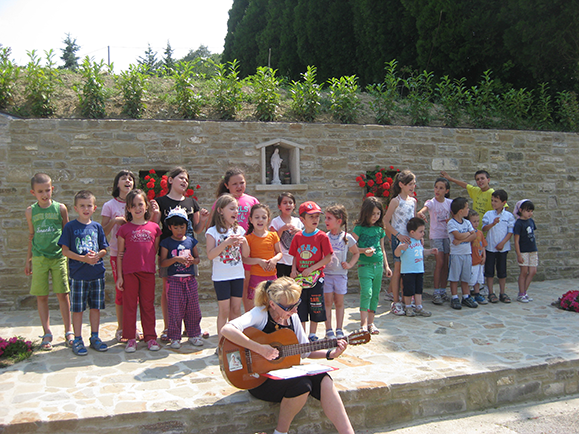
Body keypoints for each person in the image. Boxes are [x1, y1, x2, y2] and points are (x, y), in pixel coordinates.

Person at [221, 277, 355, 434]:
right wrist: (260, 349)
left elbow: (305, 351)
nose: (295, 310)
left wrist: (330, 353)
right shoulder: (260, 314)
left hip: (283, 374)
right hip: (258, 378)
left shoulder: (293, 317)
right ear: (272, 304)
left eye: (297, 305)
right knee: (302, 385)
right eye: (290, 307)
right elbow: (227, 330)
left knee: (324, 378)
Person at [154, 167, 209, 341]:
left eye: (186, 179)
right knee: (168, 290)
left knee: (188, 292)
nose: (184, 181)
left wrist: (205, 219)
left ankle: (190, 328)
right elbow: (155, 227)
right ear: (170, 180)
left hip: (188, 251)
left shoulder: (192, 203)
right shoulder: (160, 202)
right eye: (181, 178)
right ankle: (169, 327)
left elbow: (197, 230)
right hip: (168, 251)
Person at [25, 173, 73, 351]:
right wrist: (28, 259)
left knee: (63, 294)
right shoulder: (30, 211)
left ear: (52, 189)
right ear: (33, 192)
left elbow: (67, 232)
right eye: (40, 191)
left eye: (47, 190)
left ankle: (69, 331)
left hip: (58, 257)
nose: (45, 194)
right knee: (42, 296)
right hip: (39, 259)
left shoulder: (60, 208)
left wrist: (70, 255)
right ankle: (47, 332)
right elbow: (31, 235)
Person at [58, 190, 109, 355]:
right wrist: (83, 258)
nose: (85, 209)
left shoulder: (97, 227)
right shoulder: (70, 227)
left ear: (94, 208)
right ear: (75, 208)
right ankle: (78, 338)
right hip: (78, 275)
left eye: (89, 206)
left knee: (95, 307)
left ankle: (95, 337)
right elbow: (65, 251)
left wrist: (97, 255)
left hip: (96, 274)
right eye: (82, 206)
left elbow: (104, 249)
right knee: (78, 309)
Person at [116, 189, 162, 352]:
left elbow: (154, 250)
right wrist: (120, 276)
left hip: (147, 272)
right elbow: (120, 254)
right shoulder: (124, 230)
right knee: (129, 305)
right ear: (128, 209)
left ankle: (150, 337)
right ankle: (130, 337)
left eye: (140, 204)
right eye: (133, 205)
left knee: (148, 305)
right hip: (130, 273)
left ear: (146, 206)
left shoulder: (155, 228)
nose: (137, 208)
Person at [101, 169, 140, 342]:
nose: (128, 181)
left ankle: (133, 326)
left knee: (136, 293)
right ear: (117, 184)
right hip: (118, 253)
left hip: (136, 253)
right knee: (121, 291)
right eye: (124, 178)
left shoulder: (138, 203)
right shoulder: (109, 205)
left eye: (131, 179)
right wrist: (115, 221)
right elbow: (102, 232)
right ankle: (121, 327)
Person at [214, 168, 259, 312]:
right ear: (227, 185)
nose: (239, 186)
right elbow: (213, 225)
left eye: (242, 183)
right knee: (237, 290)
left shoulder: (251, 200)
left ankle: (248, 321)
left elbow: (261, 219)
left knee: (248, 287)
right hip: (229, 252)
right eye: (235, 184)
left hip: (248, 247)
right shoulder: (221, 202)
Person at [206, 194, 250, 341]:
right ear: (220, 210)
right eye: (232, 209)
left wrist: (244, 242)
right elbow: (211, 255)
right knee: (224, 311)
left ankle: (234, 341)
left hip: (237, 275)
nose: (236, 212)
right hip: (221, 277)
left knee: (236, 310)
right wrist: (226, 243)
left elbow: (246, 255)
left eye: (237, 209)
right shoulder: (212, 232)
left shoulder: (239, 230)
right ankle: (221, 343)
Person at [289, 201, 333, 342]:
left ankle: (312, 334)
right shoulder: (298, 237)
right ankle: (302, 334)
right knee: (300, 306)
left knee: (315, 305)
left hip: (316, 278)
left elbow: (328, 257)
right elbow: (295, 255)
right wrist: (294, 269)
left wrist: (312, 268)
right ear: (302, 220)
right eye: (311, 217)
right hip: (301, 278)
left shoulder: (322, 236)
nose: (315, 220)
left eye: (317, 216)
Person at [159, 208, 203, 349]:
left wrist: (192, 260)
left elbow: (197, 259)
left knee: (193, 309)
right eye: (176, 227)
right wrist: (176, 259)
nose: (179, 230)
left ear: (186, 226)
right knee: (175, 310)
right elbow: (163, 262)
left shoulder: (191, 241)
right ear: (170, 227)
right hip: (174, 281)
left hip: (189, 281)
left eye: (182, 227)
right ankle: (174, 336)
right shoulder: (166, 243)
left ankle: (194, 334)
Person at [352, 197, 392, 333]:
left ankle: (371, 323)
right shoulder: (359, 228)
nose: (375, 217)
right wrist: (364, 251)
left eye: (378, 214)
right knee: (366, 293)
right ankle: (362, 325)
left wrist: (386, 266)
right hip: (364, 265)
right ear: (366, 213)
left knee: (375, 294)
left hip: (378, 265)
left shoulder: (380, 229)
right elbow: (351, 247)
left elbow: (382, 248)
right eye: (373, 214)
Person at [383, 170, 417, 316]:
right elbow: (385, 221)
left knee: (408, 270)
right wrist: (397, 235)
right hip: (399, 240)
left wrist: (418, 236)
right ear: (401, 185)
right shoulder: (395, 201)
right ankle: (395, 301)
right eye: (410, 184)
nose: (413, 186)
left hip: (411, 240)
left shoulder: (413, 201)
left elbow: (413, 220)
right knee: (397, 270)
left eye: (414, 184)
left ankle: (407, 298)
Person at [324, 204, 359, 338]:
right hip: (326, 275)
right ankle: (328, 330)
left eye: (329, 218)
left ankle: (339, 328)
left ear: (338, 221)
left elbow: (356, 253)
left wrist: (349, 264)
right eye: (326, 218)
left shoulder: (347, 237)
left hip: (340, 275)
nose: (326, 221)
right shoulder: (324, 236)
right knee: (327, 302)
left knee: (339, 302)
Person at [418, 177, 452, 305]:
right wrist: (421, 213)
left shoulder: (449, 203)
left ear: (446, 191)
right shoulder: (431, 202)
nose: (437, 190)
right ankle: (436, 291)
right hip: (436, 236)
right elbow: (424, 209)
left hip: (447, 236)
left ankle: (443, 290)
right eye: (436, 187)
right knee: (440, 262)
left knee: (446, 263)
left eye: (441, 188)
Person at [395, 217, 437, 317]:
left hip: (419, 270)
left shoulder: (419, 242)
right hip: (408, 271)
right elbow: (397, 254)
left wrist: (430, 251)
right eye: (421, 231)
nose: (423, 234)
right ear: (412, 232)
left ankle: (419, 307)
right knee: (408, 290)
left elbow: (421, 252)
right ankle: (408, 306)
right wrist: (399, 248)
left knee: (418, 290)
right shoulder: (406, 241)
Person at [244, 204, 282, 311]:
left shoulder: (273, 236)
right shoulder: (248, 238)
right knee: (257, 306)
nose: (260, 220)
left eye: (264, 217)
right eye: (257, 217)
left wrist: (274, 259)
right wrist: (258, 261)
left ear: (268, 219)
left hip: (271, 276)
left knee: (273, 305)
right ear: (251, 220)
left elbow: (279, 253)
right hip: (256, 276)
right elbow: (245, 259)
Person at [482, 189, 515, 304]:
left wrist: (503, 243)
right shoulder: (488, 214)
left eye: (496, 201)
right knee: (489, 271)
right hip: (490, 247)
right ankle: (491, 292)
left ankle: (502, 292)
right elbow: (484, 228)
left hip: (503, 248)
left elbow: (510, 231)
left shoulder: (509, 216)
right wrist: (492, 223)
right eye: (492, 200)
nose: (493, 203)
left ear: (503, 202)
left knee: (502, 271)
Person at [447, 197, 479, 310]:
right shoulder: (451, 223)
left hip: (467, 253)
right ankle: (454, 297)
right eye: (466, 208)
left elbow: (474, 235)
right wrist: (467, 234)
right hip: (456, 255)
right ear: (461, 211)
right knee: (454, 277)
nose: (468, 210)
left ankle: (466, 296)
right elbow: (458, 235)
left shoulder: (467, 222)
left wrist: (461, 240)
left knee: (466, 277)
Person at [269, 192, 303, 277]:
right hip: (281, 260)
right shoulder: (275, 222)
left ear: (294, 205)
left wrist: (299, 231)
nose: (288, 205)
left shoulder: (298, 221)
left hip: (295, 260)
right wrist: (282, 229)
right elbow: (273, 241)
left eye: (290, 203)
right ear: (279, 206)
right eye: (284, 203)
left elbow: (304, 239)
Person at [513, 200, 537, 303]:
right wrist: (519, 254)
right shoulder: (518, 223)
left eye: (531, 211)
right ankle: (521, 293)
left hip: (533, 250)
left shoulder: (531, 221)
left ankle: (524, 292)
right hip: (523, 251)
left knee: (533, 271)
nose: (530, 213)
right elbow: (516, 240)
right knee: (524, 272)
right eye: (528, 211)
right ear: (521, 210)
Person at [465, 210, 488, 304]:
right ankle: (467, 295)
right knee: (470, 279)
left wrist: (484, 256)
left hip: (479, 260)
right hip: (471, 260)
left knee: (479, 278)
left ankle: (477, 293)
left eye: (477, 221)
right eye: (474, 221)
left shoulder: (480, 233)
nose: (476, 223)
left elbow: (483, 245)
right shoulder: (467, 233)